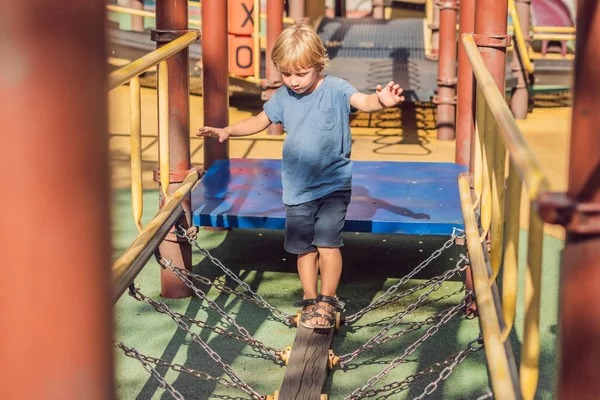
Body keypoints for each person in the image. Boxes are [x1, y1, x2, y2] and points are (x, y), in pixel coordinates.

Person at [197, 24, 404, 329]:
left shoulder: (336, 89)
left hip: (333, 185)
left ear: (319, 65)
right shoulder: (283, 97)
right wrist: (228, 129)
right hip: (296, 189)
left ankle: (327, 299)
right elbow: (259, 119)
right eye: (287, 73)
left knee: (328, 243)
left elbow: (363, 102)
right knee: (302, 247)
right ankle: (310, 300)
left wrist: (382, 101)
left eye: (301, 74)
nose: (293, 81)